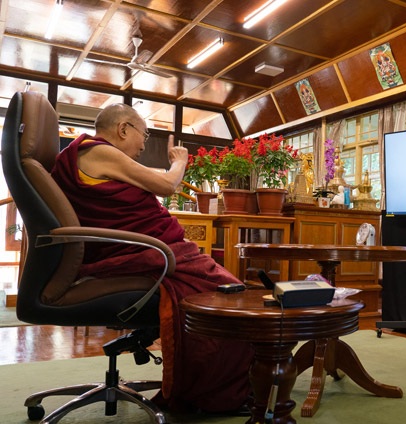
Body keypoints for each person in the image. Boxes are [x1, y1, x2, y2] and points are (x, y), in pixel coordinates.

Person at [50, 104, 254, 415]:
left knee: (228, 294)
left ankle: (225, 380)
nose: (144, 145)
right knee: (229, 299)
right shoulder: (97, 151)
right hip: (138, 255)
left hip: (137, 251)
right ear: (123, 129)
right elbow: (166, 185)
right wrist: (180, 161)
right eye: (143, 136)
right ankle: (215, 390)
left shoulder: (89, 156)